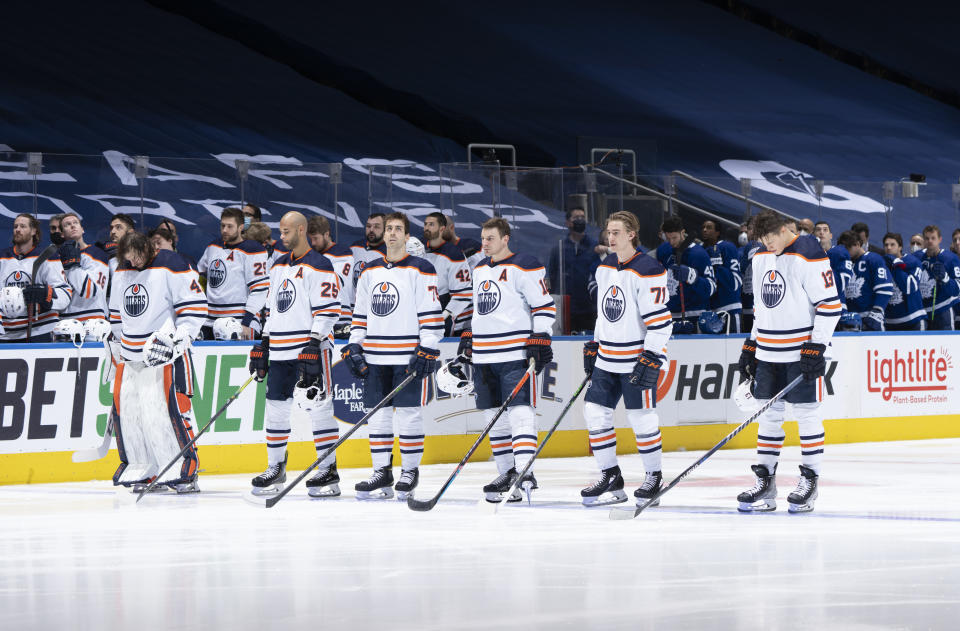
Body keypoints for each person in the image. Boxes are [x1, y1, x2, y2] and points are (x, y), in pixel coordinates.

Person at [737, 210, 841, 514]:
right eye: (762, 239)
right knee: (768, 417)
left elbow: (830, 306)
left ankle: (809, 482)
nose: (767, 243)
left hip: (799, 352)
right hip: (769, 351)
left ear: (784, 229)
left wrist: (816, 345)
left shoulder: (809, 252)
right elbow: (761, 308)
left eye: (771, 237)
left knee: (807, 415)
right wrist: (751, 344)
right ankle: (765, 483)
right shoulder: (760, 257)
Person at [343, 212, 442, 500]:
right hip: (375, 355)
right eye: (389, 229)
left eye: (398, 229)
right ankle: (381, 471)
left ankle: (409, 471)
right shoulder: (369, 271)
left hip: (407, 354)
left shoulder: (421, 269)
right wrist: (354, 344)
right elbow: (359, 314)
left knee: (409, 415)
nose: (392, 234)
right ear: (384, 235)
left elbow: (431, 314)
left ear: (407, 236)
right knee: (378, 416)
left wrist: (429, 346)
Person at [459, 216, 555, 503]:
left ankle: (525, 471)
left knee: (520, 412)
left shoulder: (524, 265)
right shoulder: (478, 270)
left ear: (505, 239)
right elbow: (481, 309)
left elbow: (544, 306)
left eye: (491, 238)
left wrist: (541, 337)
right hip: (484, 354)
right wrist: (470, 334)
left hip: (514, 352)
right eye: (483, 238)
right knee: (492, 417)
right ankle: (506, 474)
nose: (485, 243)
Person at [247, 212, 343, 497]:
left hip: (309, 350)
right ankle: (275, 468)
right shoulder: (277, 266)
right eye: (281, 231)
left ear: (301, 230)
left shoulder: (320, 265)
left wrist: (314, 343)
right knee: (275, 409)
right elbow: (271, 308)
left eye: (287, 231)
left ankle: (328, 471)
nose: (282, 237)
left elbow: (329, 310)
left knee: (319, 409)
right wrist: (264, 342)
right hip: (278, 349)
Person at [580, 211, 672, 506]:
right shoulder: (604, 267)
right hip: (608, 356)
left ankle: (653, 477)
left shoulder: (649, 269)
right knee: (594, 412)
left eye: (617, 232)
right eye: (609, 231)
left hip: (636, 357)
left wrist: (652, 355)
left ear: (632, 234)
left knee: (642, 418)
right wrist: (595, 344)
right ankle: (610, 477)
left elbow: (661, 321)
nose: (611, 237)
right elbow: (603, 312)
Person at [107, 231, 207, 493]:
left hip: (166, 357)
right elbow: (117, 316)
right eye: (129, 259)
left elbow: (195, 309)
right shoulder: (122, 270)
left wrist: (177, 340)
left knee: (171, 412)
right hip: (132, 358)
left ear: (149, 248)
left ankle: (185, 470)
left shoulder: (172, 264)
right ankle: (147, 469)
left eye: (138, 257)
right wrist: (118, 345)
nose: (135, 263)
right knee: (135, 415)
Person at [196, 207, 269, 340]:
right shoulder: (213, 246)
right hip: (210, 322)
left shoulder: (253, 251)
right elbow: (200, 273)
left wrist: (246, 322)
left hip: (240, 322)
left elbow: (260, 290)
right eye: (223, 225)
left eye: (230, 226)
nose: (224, 230)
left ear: (241, 227)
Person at [0, 213, 72, 342]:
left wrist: (46, 295)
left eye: (22, 226)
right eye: (15, 226)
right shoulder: (2, 257)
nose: (17, 229)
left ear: (34, 231)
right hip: (6, 333)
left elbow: (65, 294)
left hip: (40, 331)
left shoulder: (47, 256)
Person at [656, 216, 715, 332]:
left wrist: (692, 277)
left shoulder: (698, 254)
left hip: (696, 317)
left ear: (683, 233)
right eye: (668, 238)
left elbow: (712, 287)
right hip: (670, 318)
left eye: (674, 238)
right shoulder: (663, 251)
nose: (671, 242)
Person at [548, 208, 598, 333]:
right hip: (567, 309)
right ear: (568, 223)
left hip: (589, 308)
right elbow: (553, 276)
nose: (580, 220)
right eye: (576, 217)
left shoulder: (594, 247)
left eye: (582, 217)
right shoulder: (560, 248)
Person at [422, 212, 472, 335]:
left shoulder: (454, 254)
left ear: (442, 229)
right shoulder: (418, 249)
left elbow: (464, 292)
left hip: (441, 313)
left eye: (431, 225)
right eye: (425, 224)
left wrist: (446, 314)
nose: (427, 228)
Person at [57, 213, 110, 325]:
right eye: (67, 224)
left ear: (82, 229)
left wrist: (72, 266)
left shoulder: (96, 253)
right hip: (65, 321)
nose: (72, 226)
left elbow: (90, 291)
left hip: (93, 320)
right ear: (62, 234)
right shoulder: (57, 259)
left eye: (75, 223)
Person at [307, 215, 355, 338]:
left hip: (341, 318)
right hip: (316, 318)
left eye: (316, 238)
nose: (313, 243)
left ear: (327, 234)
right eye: (310, 239)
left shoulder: (343, 253)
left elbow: (335, 282)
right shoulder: (311, 255)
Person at [915, 225, 960, 330]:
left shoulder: (951, 258)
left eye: (933, 238)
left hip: (943, 311)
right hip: (923, 313)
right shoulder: (916, 257)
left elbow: (957, 289)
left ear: (940, 239)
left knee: (947, 345)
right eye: (927, 238)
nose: (930, 241)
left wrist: (945, 278)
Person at [700, 219, 742, 332]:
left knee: (734, 347)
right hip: (708, 312)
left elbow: (736, 282)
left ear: (718, 232)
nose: (704, 230)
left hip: (729, 308)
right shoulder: (700, 251)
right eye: (703, 227)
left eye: (709, 227)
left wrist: (718, 267)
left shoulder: (727, 247)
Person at [845, 233, 892, 331]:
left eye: (848, 247)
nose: (846, 250)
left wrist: (877, 311)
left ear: (857, 244)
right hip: (849, 319)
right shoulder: (846, 262)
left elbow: (885, 287)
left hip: (870, 316)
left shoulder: (873, 259)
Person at [882, 232, 925, 331]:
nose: (888, 247)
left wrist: (896, 265)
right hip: (889, 322)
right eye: (886, 245)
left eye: (892, 244)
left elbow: (910, 287)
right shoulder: (881, 264)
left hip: (913, 320)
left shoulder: (913, 262)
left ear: (900, 247)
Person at [349, 213, 387, 291]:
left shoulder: (390, 254)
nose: (371, 230)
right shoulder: (354, 247)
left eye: (376, 227)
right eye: (368, 226)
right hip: (353, 302)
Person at [738, 217, 763, 333]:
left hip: (757, 305)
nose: (750, 232)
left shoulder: (753, 245)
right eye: (749, 229)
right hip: (748, 304)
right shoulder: (743, 249)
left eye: (753, 228)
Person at [828, 231, 857, 315]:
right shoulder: (842, 252)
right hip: (836, 304)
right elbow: (842, 280)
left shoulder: (833, 251)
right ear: (852, 244)